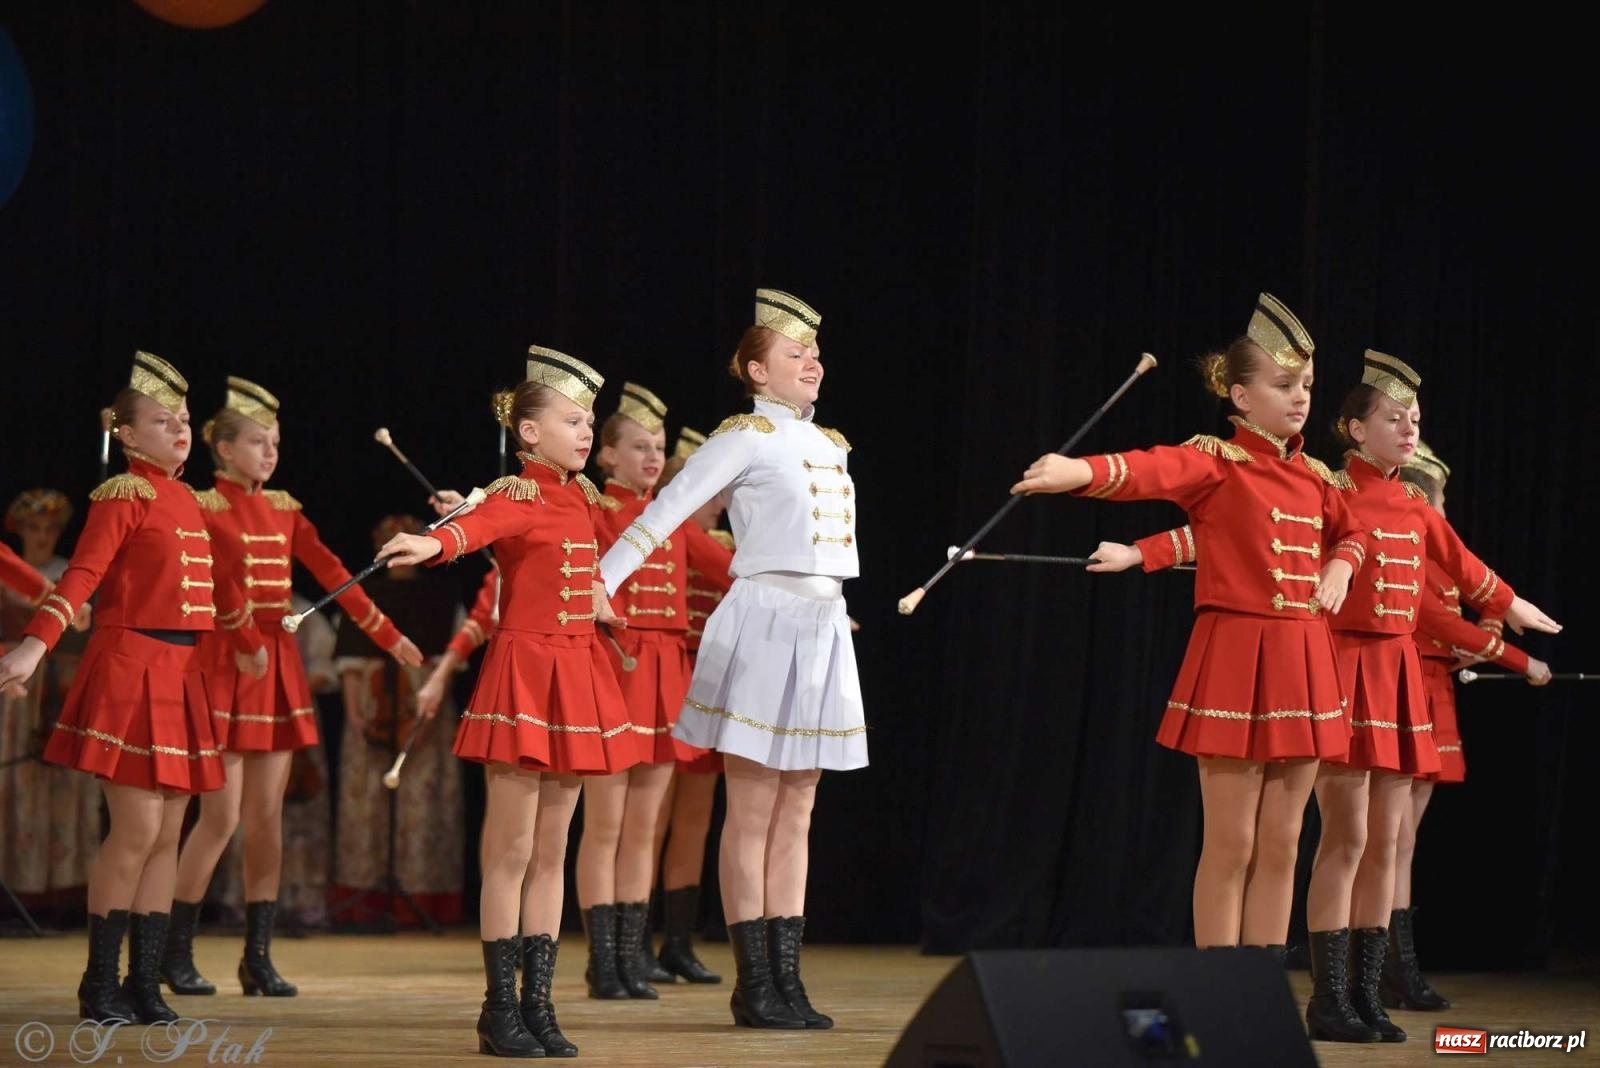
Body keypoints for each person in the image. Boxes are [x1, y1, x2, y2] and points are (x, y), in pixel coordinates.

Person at [1008, 294, 1367, 963]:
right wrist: (1078, 472)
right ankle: (1221, 985)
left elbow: (1352, 533)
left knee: (1283, 841)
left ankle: (1260, 984)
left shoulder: (1318, 478)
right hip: (1238, 654)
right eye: (1283, 385)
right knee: (1233, 842)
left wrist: (1342, 566)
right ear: (1240, 396)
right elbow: (1151, 469)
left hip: (1303, 659)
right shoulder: (1217, 461)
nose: (1300, 398)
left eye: (1307, 385)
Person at [597, 290, 865, 1030]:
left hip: (822, 624)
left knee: (799, 808)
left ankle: (787, 978)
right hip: (764, 619)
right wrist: (601, 582)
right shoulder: (744, 436)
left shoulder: (833, 443)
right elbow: (665, 511)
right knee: (751, 810)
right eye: (794, 354)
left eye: (815, 354)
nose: (811, 363)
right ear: (756, 371)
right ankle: (754, 984)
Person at [378, 346, 639, 1057]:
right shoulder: (518, 494)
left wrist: (603, 600)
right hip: (526, 674)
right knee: (514, 850)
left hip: (576, 674)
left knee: (553, 850)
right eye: (572, 421)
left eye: (589, 421)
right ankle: (498, 1009)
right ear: (529, 432)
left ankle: (539, 1005)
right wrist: (432, 543)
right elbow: (475, 530)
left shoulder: (584, 497)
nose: (586, 432)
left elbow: (616, 550)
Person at [0, 352, 253, 1023]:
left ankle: (144, 982)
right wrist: (34, 645)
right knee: (137, 828)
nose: (180, 429)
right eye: (162, 421)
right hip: (131, 666)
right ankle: (99, 982)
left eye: (185, 419)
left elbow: (219, 587)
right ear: (128, 434)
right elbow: (81, 576)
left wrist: (248, 642)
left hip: (184, 672)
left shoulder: (189, 500)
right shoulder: (123, 494)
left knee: (168, 831)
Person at [163, 377, 421, 999]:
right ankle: (173, 952)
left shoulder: (284, 509)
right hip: (226, 661)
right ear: (225, 448)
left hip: (276, 667)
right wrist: (240, 638)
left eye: (275, 442)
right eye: (258, 442)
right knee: (218, 818)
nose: (270, 452)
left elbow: (334, 575)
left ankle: (257, 957)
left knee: (266, 820)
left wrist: (388, 636)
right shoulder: (203, 505)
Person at [580, 386, 734, 998]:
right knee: (605, 827)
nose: (652, 458)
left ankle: (629, 958)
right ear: (607, 456)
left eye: (658, 448)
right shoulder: (595, 511)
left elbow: (732, 572)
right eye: (639, 447)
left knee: (643, 828)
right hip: (615, 670)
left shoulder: (671, 518)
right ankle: (602, 962)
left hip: (666, 676)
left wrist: (809, 596)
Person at [0, 489, 98, 921]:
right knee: (16, 780)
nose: (41, 536)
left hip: (61, 683)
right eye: (33, 528)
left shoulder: (68, 573)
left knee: (64, 782)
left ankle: (64, 891)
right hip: (11, 681)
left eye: (49, 529)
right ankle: (16, 887)